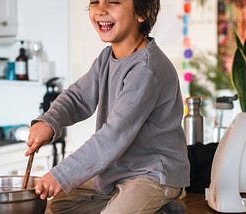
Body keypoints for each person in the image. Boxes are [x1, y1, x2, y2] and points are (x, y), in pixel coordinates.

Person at [25, 0, 190, 213]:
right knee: (58, 207)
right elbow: (77, 98)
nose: (101, 10)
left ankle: (160, 204)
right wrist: (49, 122)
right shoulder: (106, 58)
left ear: (143, 13)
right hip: (118, 171)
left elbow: (112, 137)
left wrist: (61, 175)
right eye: (95, 1)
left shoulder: (146, 69)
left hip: (153, 174)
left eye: (113, 2)